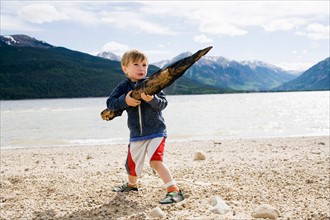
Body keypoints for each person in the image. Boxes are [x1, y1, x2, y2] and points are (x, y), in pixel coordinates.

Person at [106, 49, 185, 204]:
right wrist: (125, 101)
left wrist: (152, 99)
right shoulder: (123, 87)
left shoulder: (153, 84)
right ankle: (132, 185)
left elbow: (163, 104)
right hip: (136, 133)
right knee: (131, 164)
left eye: (144, 64)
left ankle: (174, 191)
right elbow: (110, 103)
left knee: (155, 161)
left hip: (156, 131)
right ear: (125, 68)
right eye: (136, 64)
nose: (141, 68)